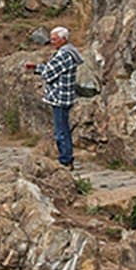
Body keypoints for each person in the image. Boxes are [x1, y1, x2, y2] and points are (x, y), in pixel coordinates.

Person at [27, 26, 83, 167]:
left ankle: (65, 160)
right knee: (63, 128)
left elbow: (48, 74)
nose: (51, 41)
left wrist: (40, 70)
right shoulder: (69, 52)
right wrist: (37, 68)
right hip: (67, 95)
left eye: (54, 39)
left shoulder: (63, 55)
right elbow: (51, 69)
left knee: (61, 131)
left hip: (60, 97)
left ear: (63, 39)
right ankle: (66, 157)